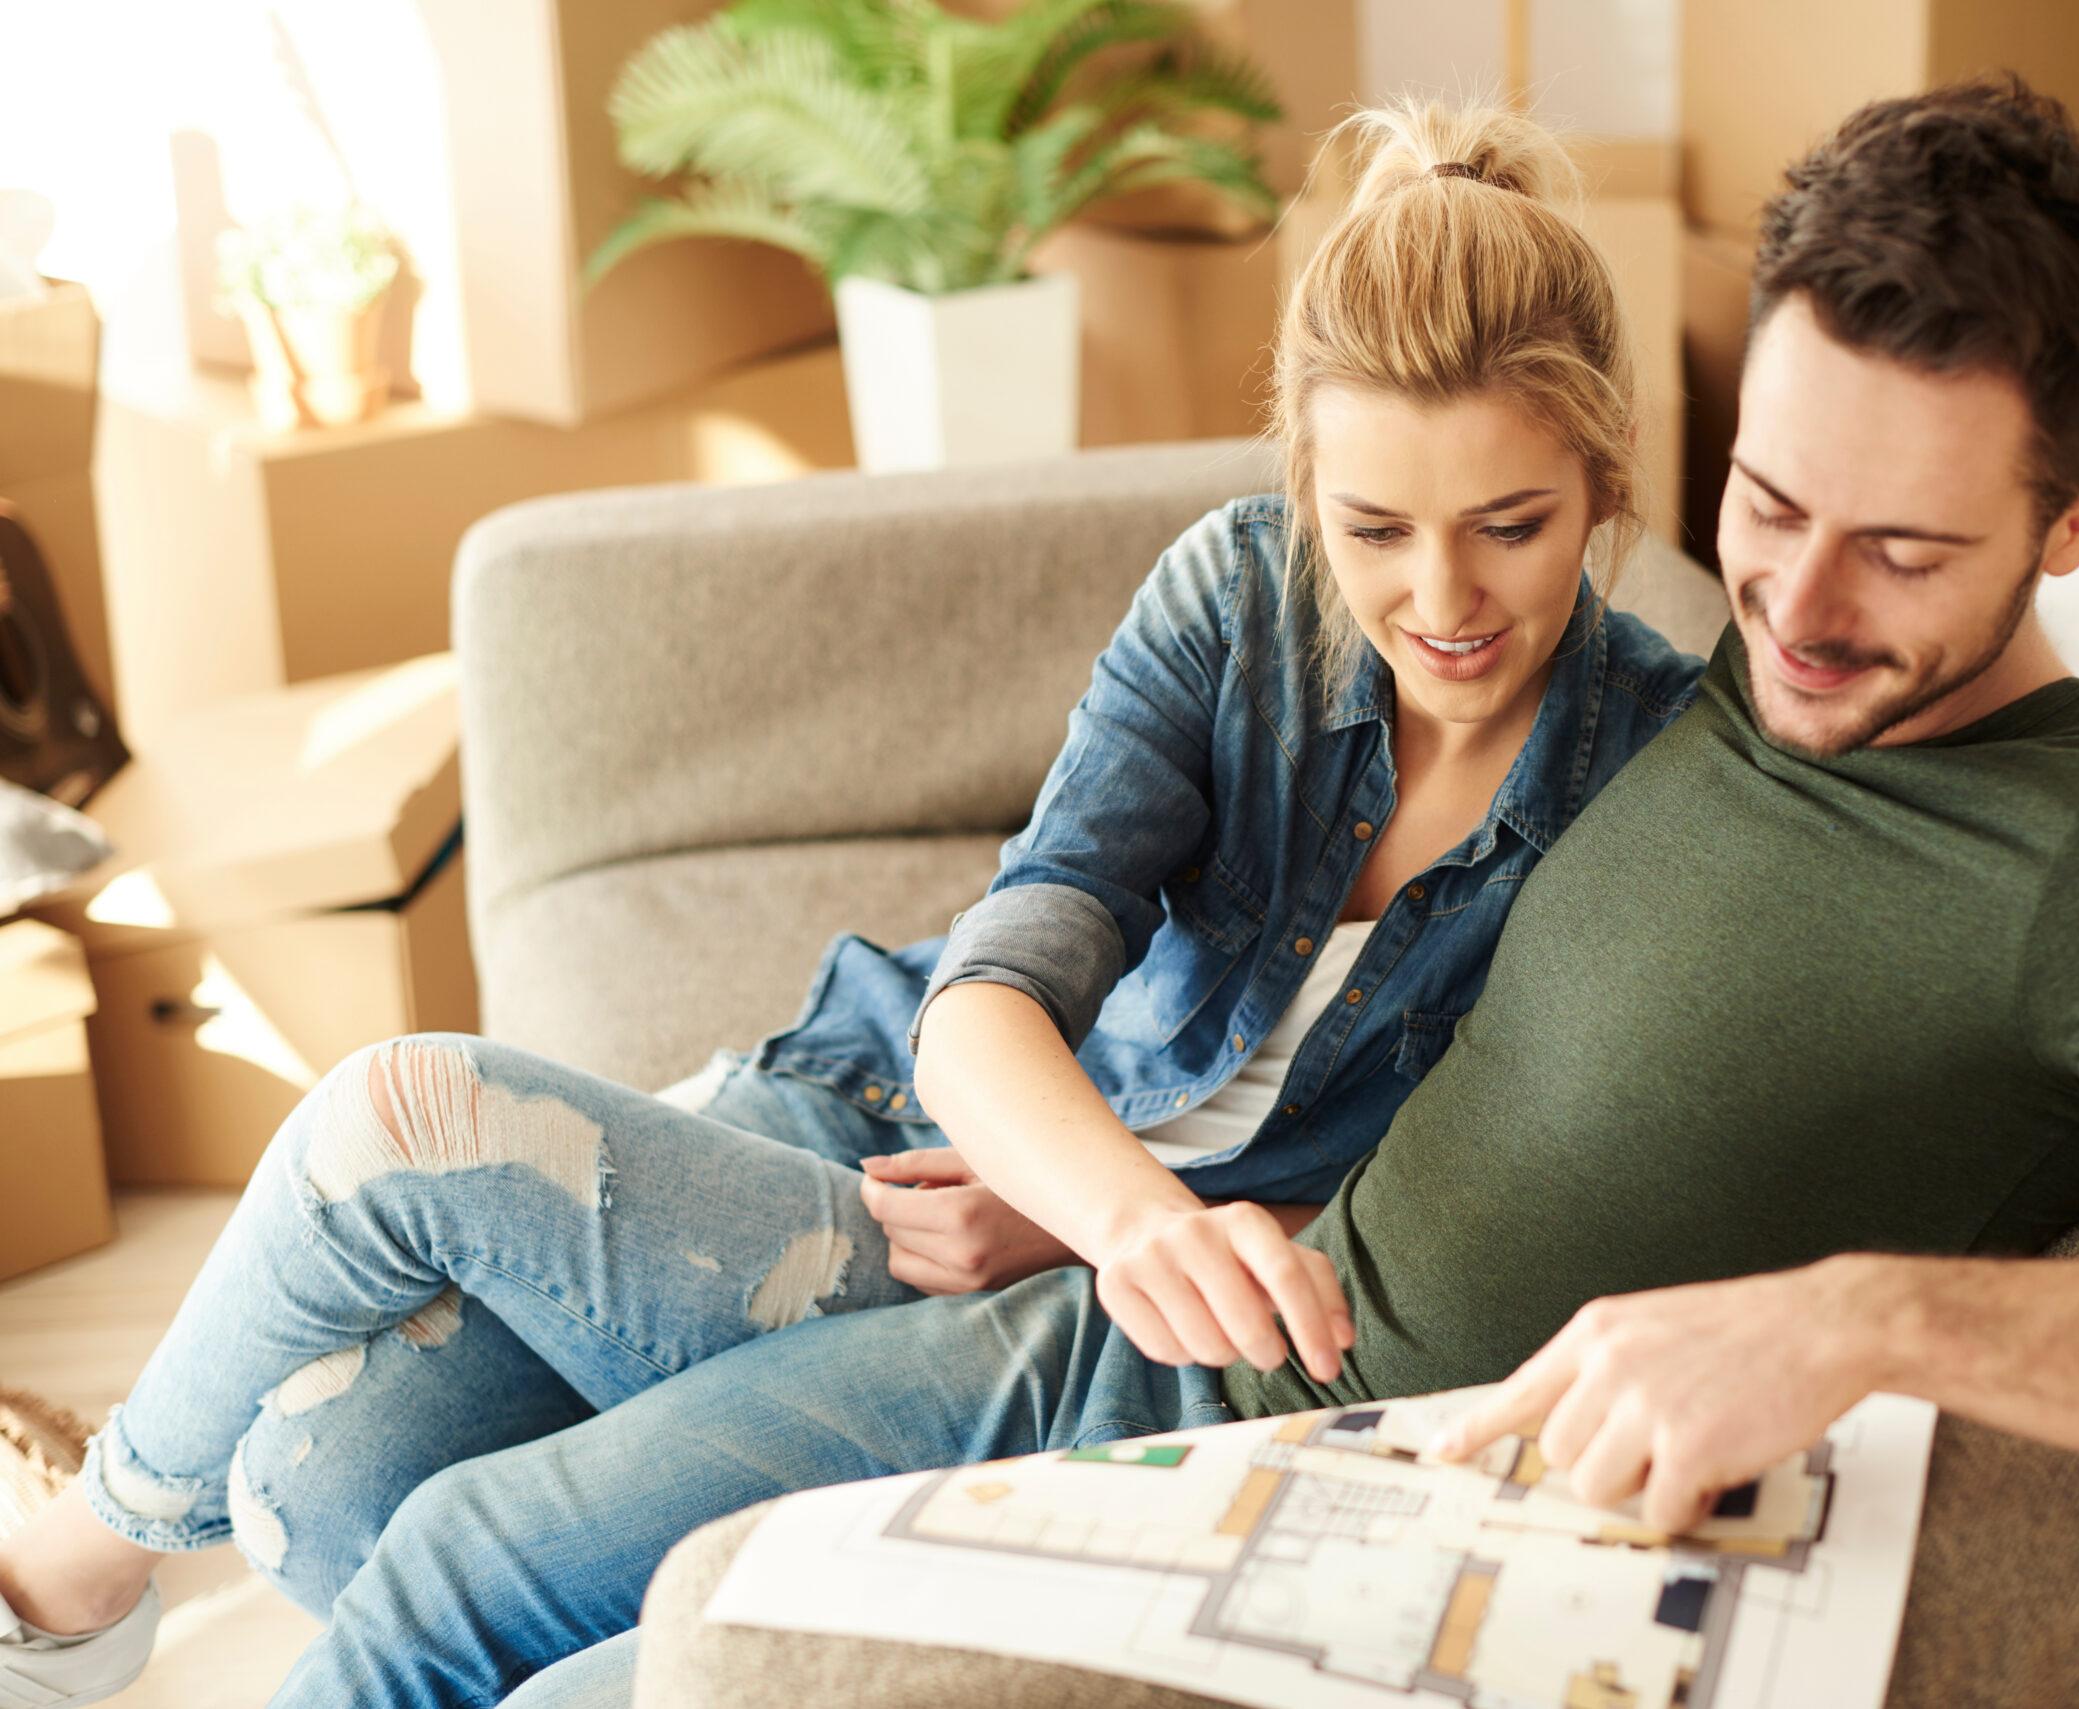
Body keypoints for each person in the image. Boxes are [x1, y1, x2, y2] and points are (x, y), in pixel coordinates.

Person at [0, 97, 1711, 1709]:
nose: (1441, 598)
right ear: (1302, 487)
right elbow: (999, 977)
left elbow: (1499, 1194)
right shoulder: (1240, 593)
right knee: (313, 1485)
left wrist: (1081, 1223)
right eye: (1374, 527)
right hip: (887, 1128)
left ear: (1607, 475)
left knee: (387, 1285)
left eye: (1510, 525)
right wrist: (1119, 1204)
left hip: (1042, 1288)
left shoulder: (1659, 769)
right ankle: (76, 1578)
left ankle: (67, 1585)